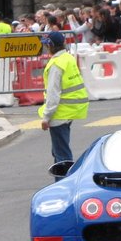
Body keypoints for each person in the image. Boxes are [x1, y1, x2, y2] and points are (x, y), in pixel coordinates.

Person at [39, 30, 89, 164]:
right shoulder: (67, 58)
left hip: (60, 112)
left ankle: (64, 182)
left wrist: (46, 116)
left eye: (46, 45)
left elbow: (53, 93)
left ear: (51, 46)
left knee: (62, 155)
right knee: (59, 151)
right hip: (70, 110)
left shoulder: (56, 64)